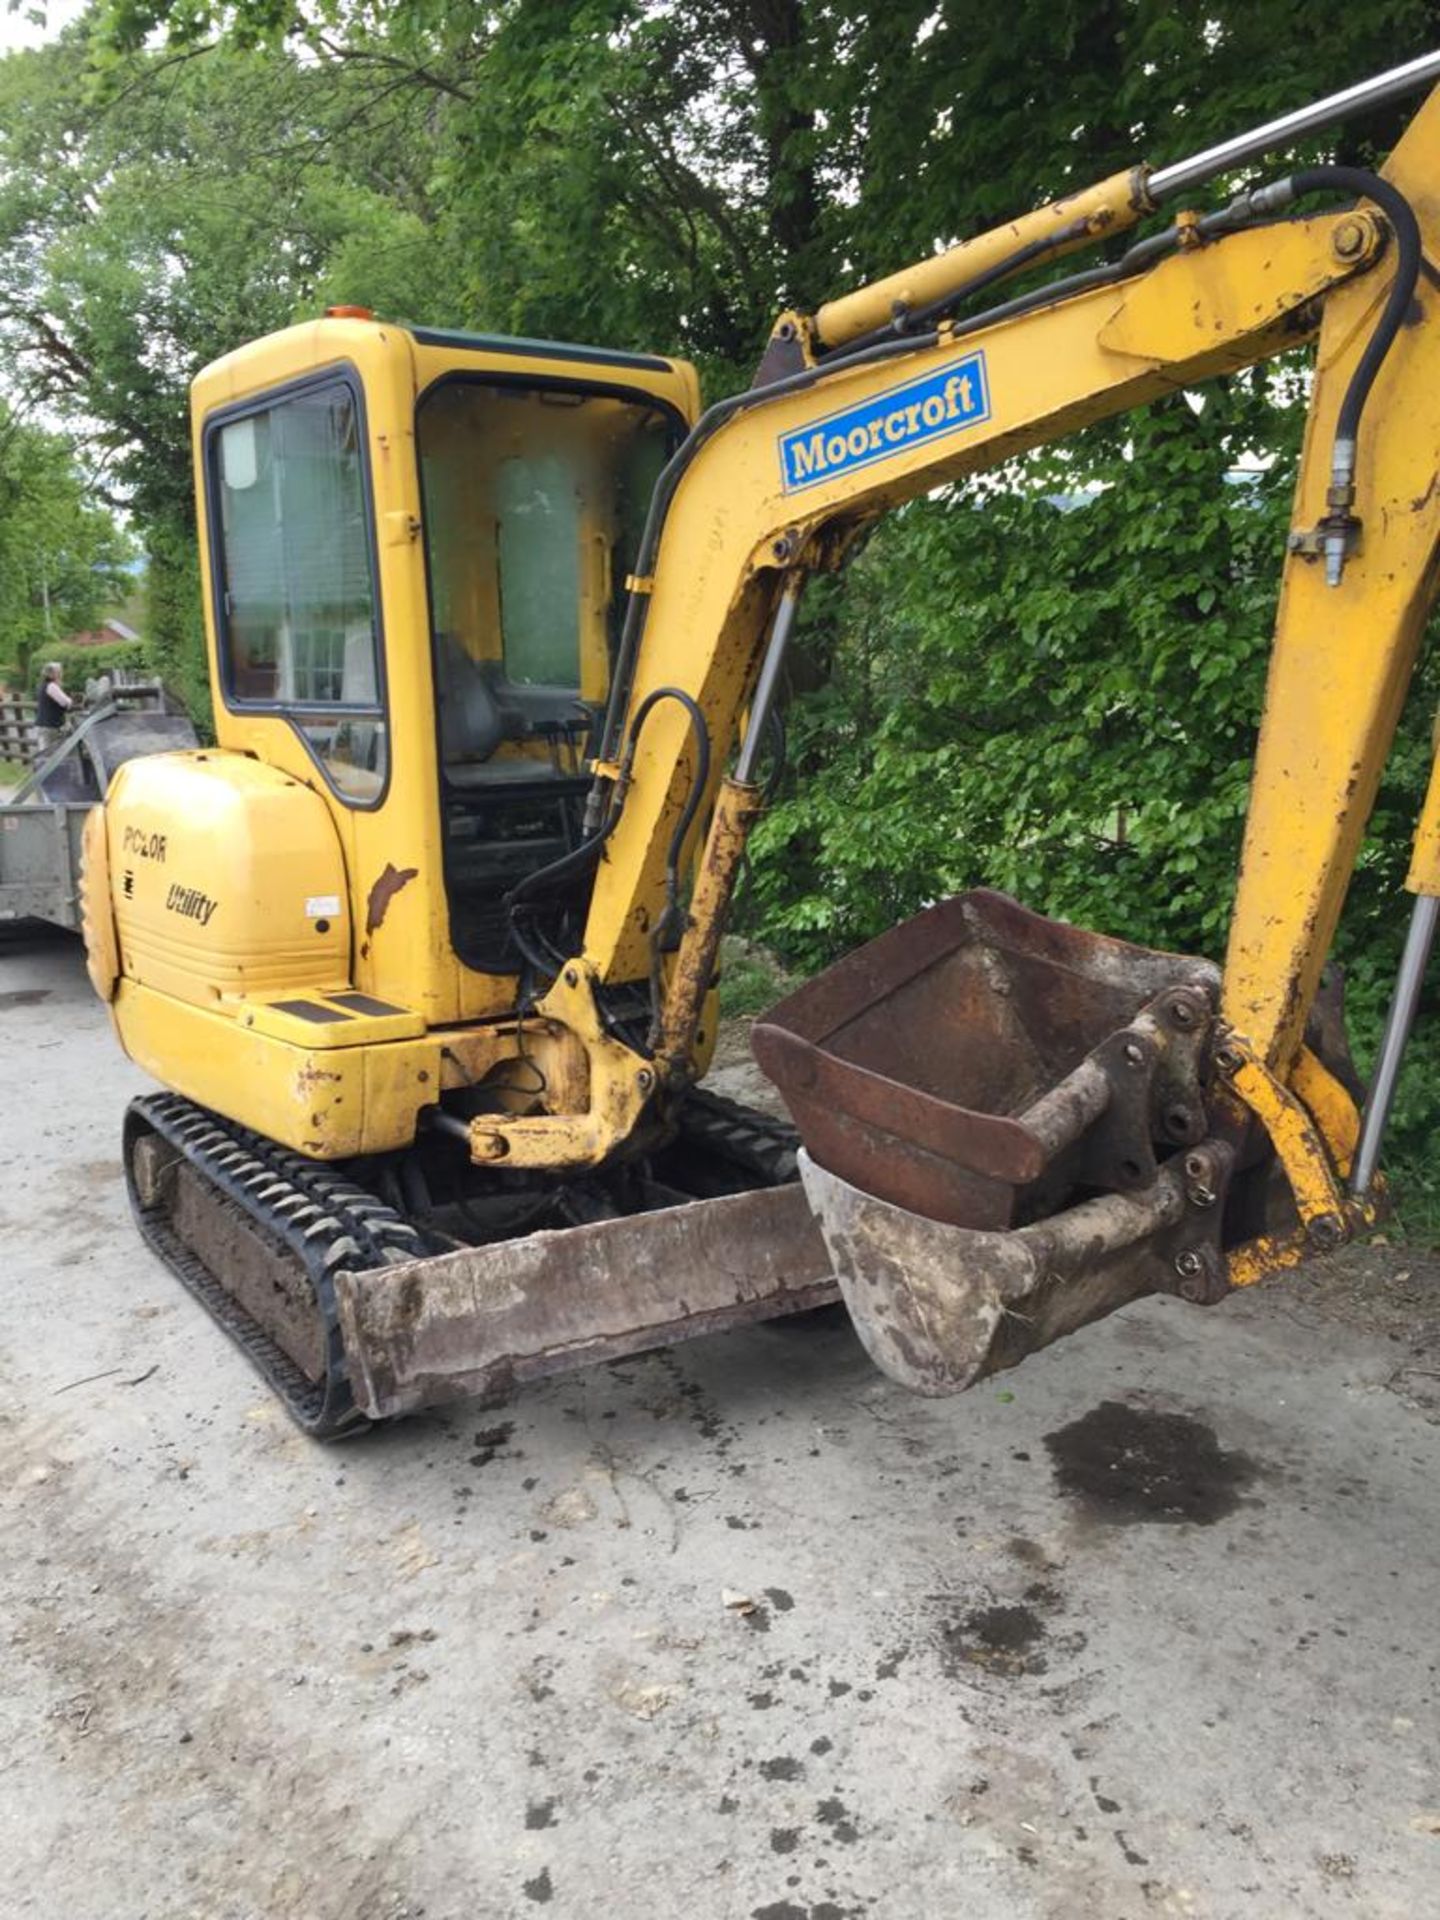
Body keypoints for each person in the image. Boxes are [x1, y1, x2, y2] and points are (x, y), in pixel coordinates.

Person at [33, 661, 74, 758]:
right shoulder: (52, 686)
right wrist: (71, 701)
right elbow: (65, 702)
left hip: (43, 725)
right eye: (59, 672)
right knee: (50, 756)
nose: (61, 674)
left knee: (44, 754)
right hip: (50, 726)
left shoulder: (42, 685)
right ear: (55, 674)